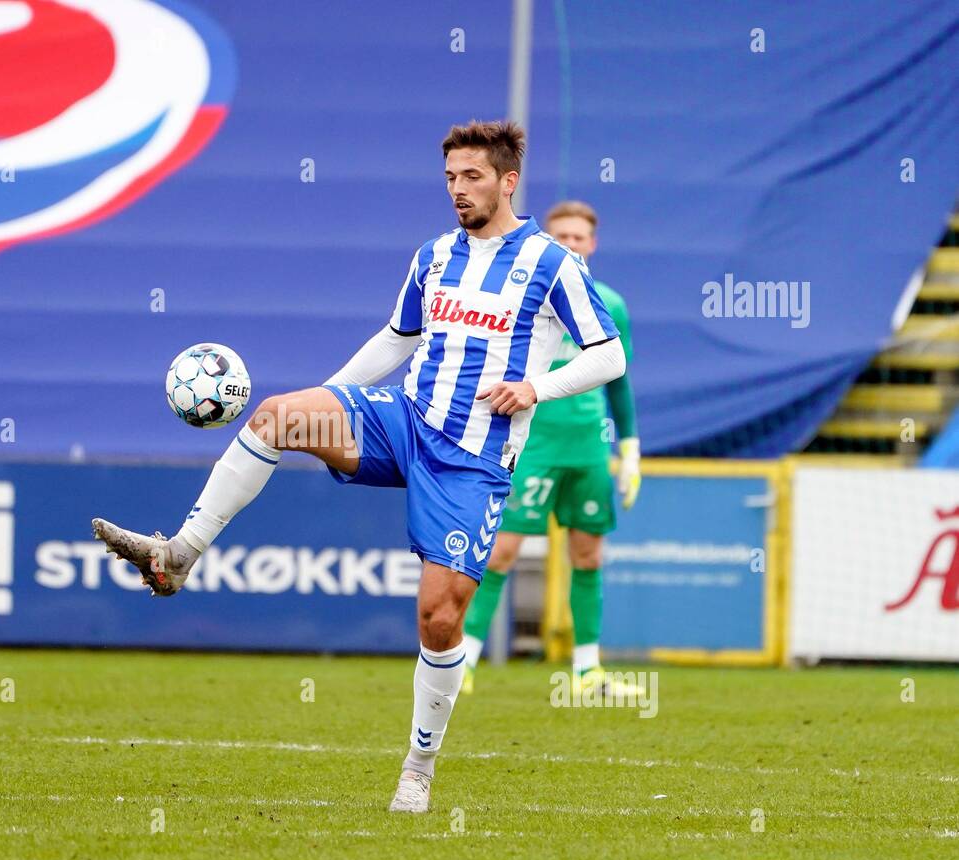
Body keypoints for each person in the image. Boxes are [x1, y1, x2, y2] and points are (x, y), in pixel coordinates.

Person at [92, 121, 626, 813]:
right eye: (449, 179)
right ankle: (178, 554)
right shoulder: (434, 257)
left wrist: (534, 388)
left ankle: (419, 766)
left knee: (439, 618)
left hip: (473, 458)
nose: (458, 191)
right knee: (278, 416)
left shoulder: (553, 263)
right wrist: (335, 395)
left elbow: (607, 355)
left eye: (471, 177)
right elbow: (397, 339)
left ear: (507, 180)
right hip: (405, 421)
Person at [459, 201, 641, 698]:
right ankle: (464, 662)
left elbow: (619, 379)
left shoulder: (611, 303)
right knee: (500, 552)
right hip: (533, 443)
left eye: (578, 237)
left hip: (587, 447)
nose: (570, 243)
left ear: (592, 244)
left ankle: (586, 672)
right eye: (560, 235)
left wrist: (630, 447)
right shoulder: (525, 297)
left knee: (587, 555)